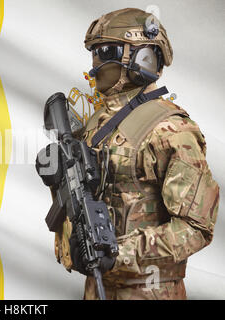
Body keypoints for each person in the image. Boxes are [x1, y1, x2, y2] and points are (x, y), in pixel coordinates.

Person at [54, 8, 220, 300]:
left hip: (149, 292)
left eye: (107, 50)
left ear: (142, 57)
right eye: (95, 51)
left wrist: (121, 252)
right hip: (97, 287)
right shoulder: (97, 123)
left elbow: (196, 228)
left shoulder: (171, 129)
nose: (97, 61)